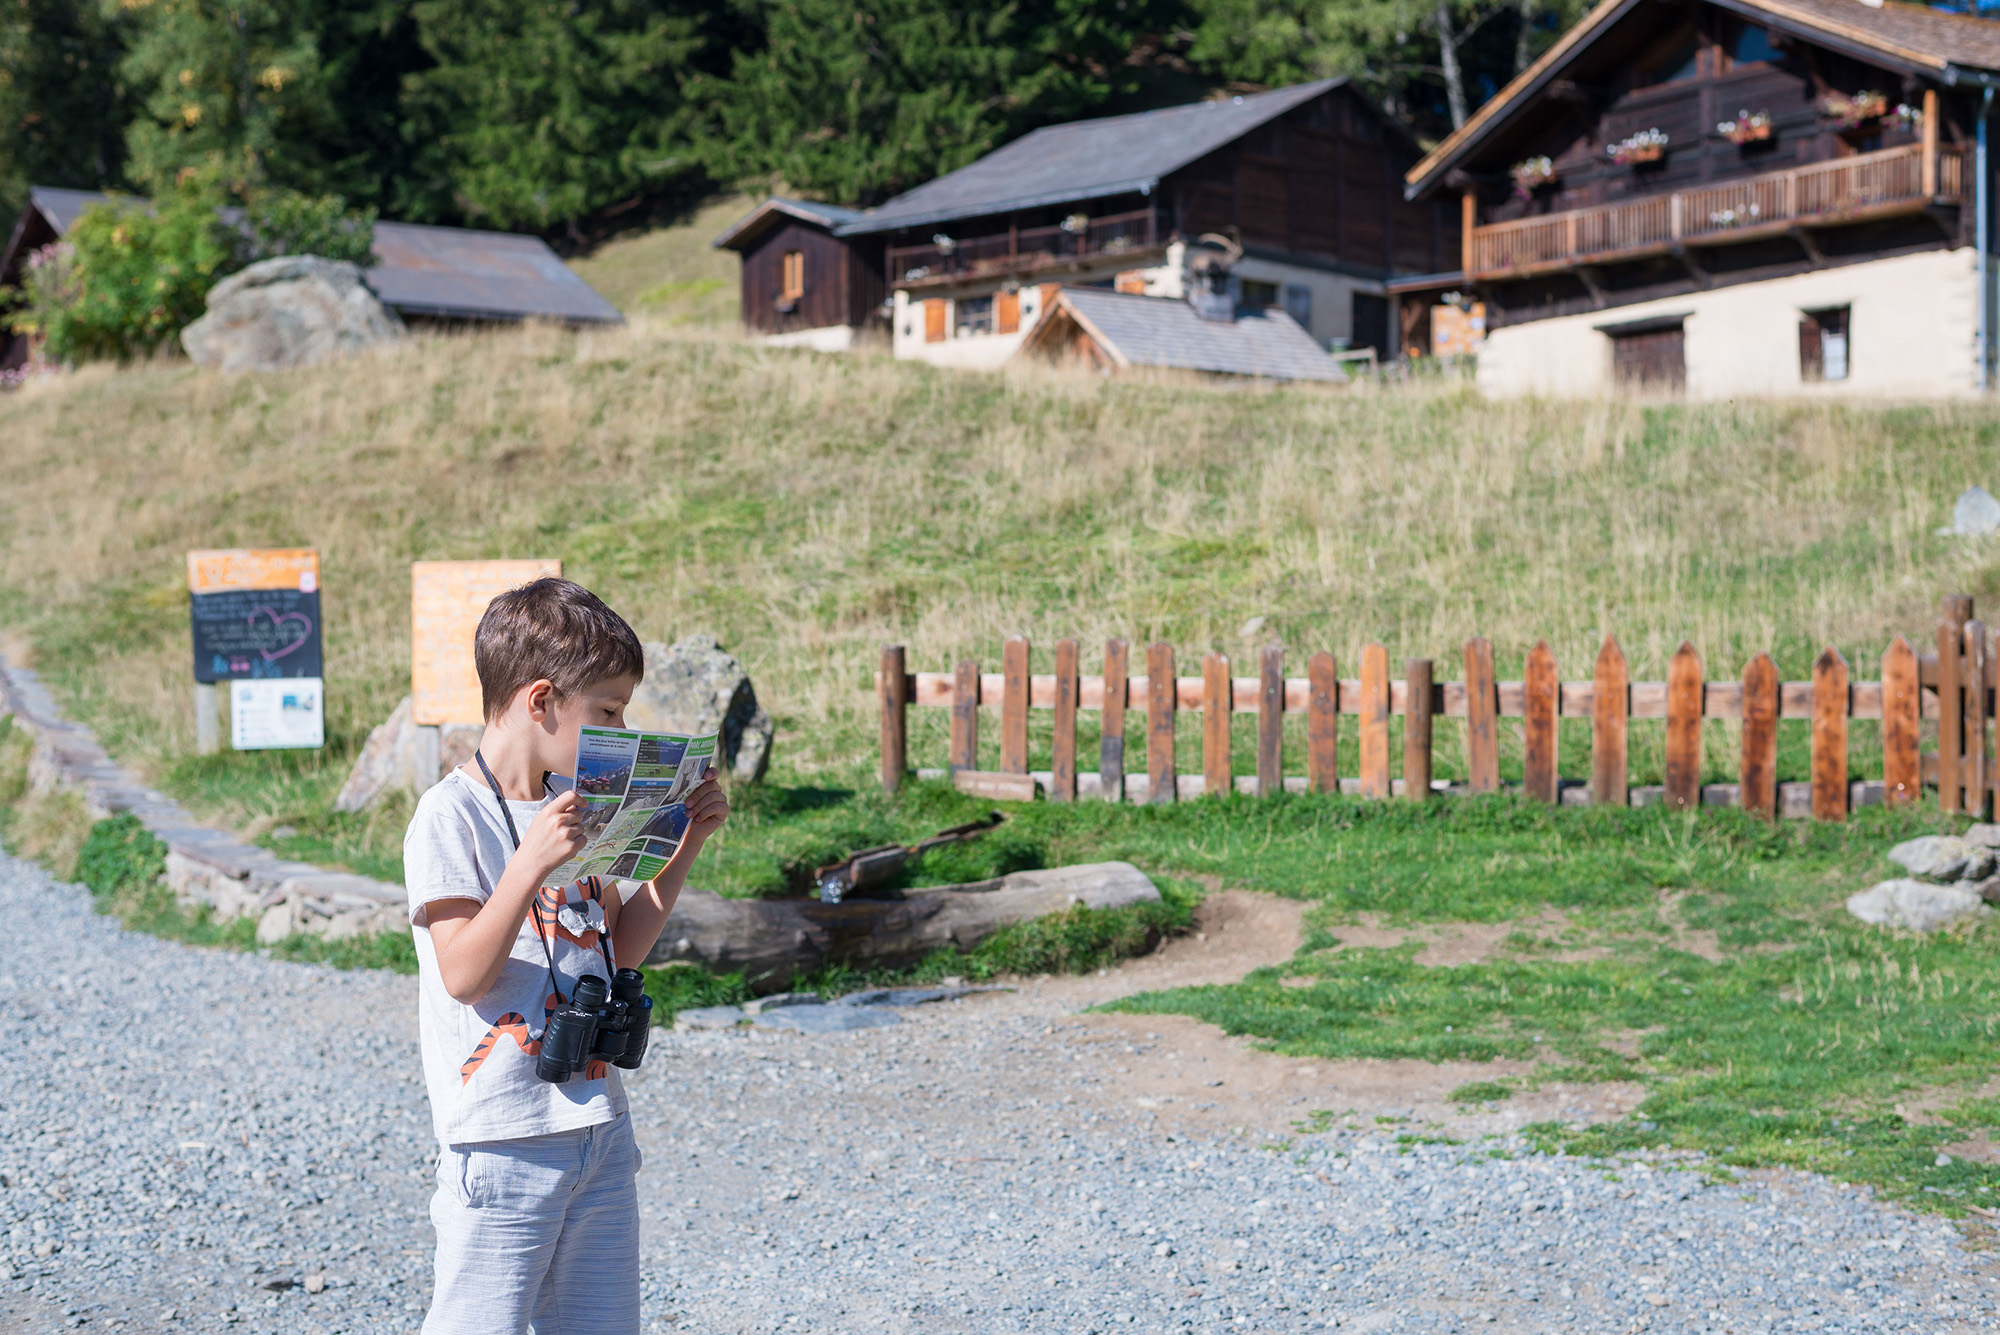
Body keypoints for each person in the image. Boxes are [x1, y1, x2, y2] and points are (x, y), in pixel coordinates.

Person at [404, 577, 729, 1334]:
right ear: (541, 699)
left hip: (598, 1128)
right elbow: (462, 974)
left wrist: (685, 846)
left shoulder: (578, 802)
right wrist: (526, 867)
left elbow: (615, 949)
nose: (623, 726)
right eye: (609, 711)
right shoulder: (448, 816)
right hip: (502, 1137)